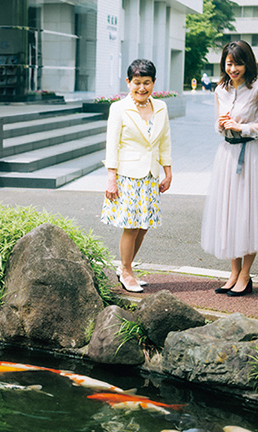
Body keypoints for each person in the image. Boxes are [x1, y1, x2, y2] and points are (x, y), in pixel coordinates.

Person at [201, 40, 258, 297]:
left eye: (239, 63)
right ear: (224, 63)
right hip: (226, 154)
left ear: (248, 63)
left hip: (250, 155)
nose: (234, 68)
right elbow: (217, 122)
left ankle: (245, 275)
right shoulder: (220, 89)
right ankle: (232, 273)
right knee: (228, 213)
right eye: (229, 63)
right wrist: (222, 126)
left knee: (248, 214)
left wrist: (243, 127)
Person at [101, 59, 173, 293]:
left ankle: (127, 268)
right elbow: (112, 145)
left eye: (147, 83)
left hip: (150, 175)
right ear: (128, 82)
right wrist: (111, 177)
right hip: (127, 176)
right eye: (137, 82)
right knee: (131, 226)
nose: (142, 88)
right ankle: (126, 271)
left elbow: (164, 140)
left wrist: (167, 171)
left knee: (144, 226)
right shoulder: (119, 108)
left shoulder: (161, 107)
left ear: (154, 83)